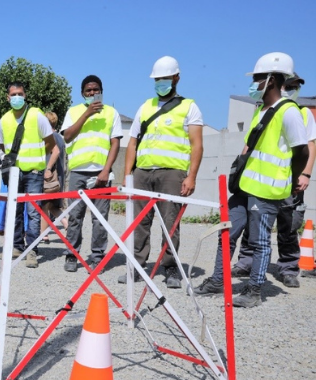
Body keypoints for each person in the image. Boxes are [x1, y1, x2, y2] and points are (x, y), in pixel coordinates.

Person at [194, 52, 309, 308]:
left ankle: (254, 289)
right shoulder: (261, 110)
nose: (253, 83)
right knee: (228, 232)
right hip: (245, 187)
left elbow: (302, 150)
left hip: (267, 190)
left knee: (260, 241)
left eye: (257, 78)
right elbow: (250, 147)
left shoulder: (289, 112)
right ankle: (218, 280)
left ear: (270, 80)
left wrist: (291, 179)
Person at [122, 56, 204, 288]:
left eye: (165, 78)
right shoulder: (145, 106)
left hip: (172, 173)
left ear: (176, 78)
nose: (161, 82)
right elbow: (133, 142)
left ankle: (170, 268)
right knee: (139, 222)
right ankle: (138, 266)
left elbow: (197, 144)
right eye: (158, 79)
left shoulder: (189, 106)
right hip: (143, 172)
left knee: (170, 222)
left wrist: (191, 176)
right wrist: (128, 175)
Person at [232, 73, 316, 287]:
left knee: (288, 224)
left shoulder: (302, 113)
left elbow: (309, 146)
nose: (292, 89)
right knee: (254, 223)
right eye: (289, 85)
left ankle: (288, 268)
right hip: (259, 179)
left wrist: (304, 175)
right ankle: (246, 261)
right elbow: (250, 143)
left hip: (288, 181)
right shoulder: (263, 110)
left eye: (296, 86)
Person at [60, 76, 122, 272]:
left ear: (102, 92)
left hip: (101, 173)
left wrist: (106, 170)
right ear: (82, 93)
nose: (92, 93)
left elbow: (115, 144)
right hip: (78, 171)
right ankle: (72, 254)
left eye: (96, 90)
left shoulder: (112, 113)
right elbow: (67, 136)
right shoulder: (74, 111)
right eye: (88, 90)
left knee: (100, 217)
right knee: (75, 215)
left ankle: (97, 257)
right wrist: (86, 114)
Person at [0, 82, 59, 268]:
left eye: (20, 94)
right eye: (13, 94)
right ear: (8, 98)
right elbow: (2, 146)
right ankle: (16, 247)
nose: (17, 97)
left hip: (33, 172)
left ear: (25, 96)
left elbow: (49, 142)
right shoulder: (4, 120)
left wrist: (38, 159)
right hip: (14, 172)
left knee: (33, 212)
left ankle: (32, 250)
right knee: (14, 211)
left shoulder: (36, 116)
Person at [40, 111, 68, 244]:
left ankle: (43, 235)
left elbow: (55, 152)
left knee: (44, 205)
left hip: (50, 176)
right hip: (58, 177)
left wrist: (48, 169)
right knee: (52, 206)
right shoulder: (59, 137)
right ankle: (65, 223)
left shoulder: (51, 136)